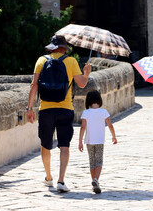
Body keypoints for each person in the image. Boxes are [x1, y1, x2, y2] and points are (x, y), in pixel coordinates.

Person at [27, 35, 92, 192]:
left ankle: (48, 177)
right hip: (65, 108)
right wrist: (86, 73)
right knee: (64, 145)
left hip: (46, 109)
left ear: (52, 47)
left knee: (45, 144)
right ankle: (61, 181)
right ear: (64, 48)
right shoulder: (70, 61)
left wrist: (29, 108)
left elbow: (34, 85)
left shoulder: (41, 61)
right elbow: (82, 84)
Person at [78, 90, 117, 194]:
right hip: (99, 141)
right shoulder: (103, 112)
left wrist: (80, 141)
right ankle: (96, 180)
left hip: (89, 141)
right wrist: (114, 136)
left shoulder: (86, 112)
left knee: (92, 162)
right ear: (99, 100)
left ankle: (94, 181)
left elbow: (82, 127)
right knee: (99, 161)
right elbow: (110, 125)